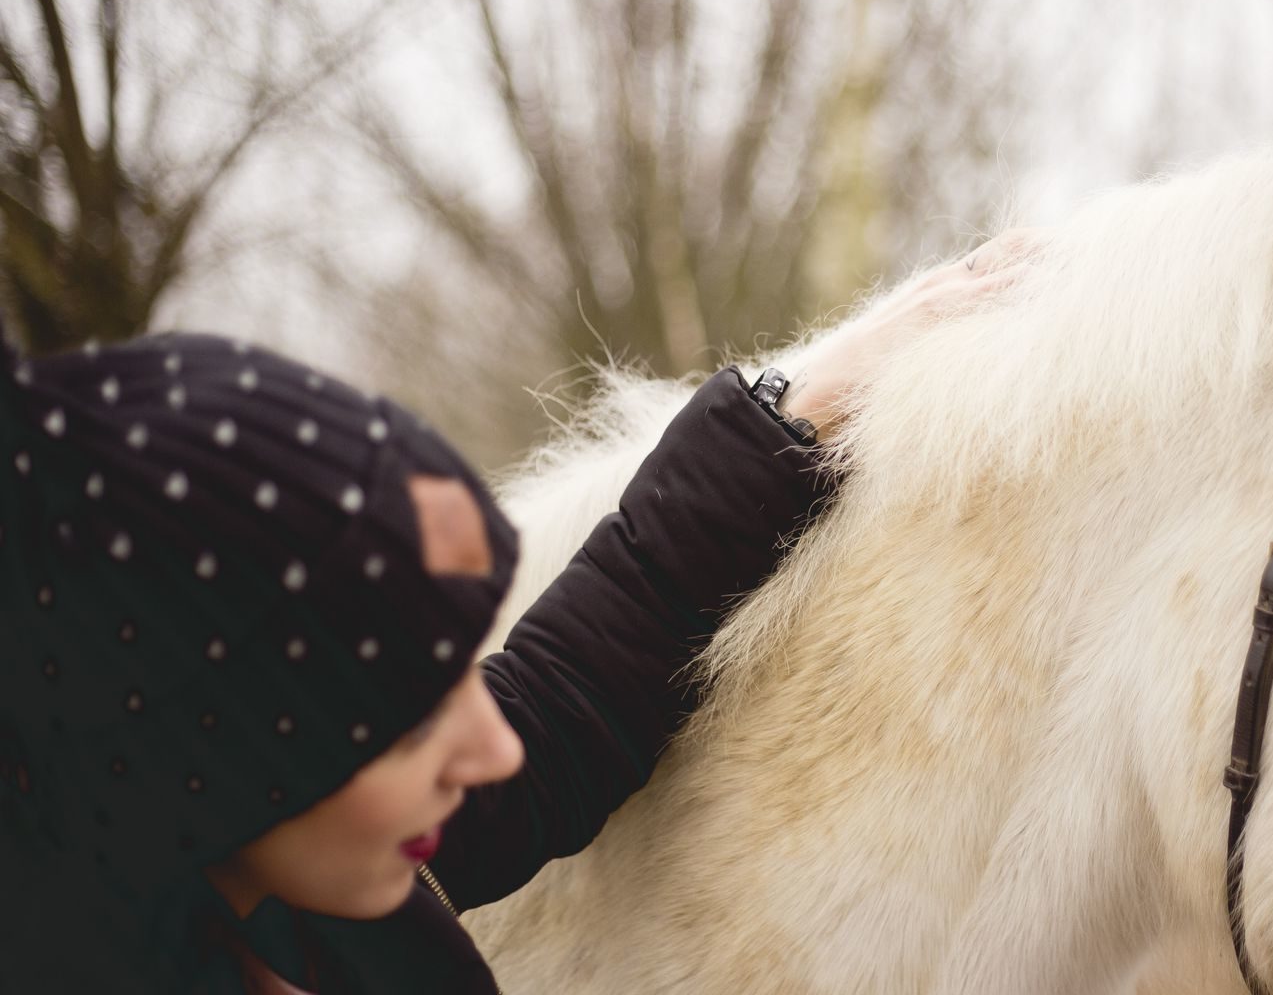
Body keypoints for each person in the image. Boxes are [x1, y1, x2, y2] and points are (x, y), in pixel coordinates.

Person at [0, 234, 1034, 993]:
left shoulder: (288, 864)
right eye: (409, 708)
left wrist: (792, 408)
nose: (491, 746)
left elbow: (561, 696)